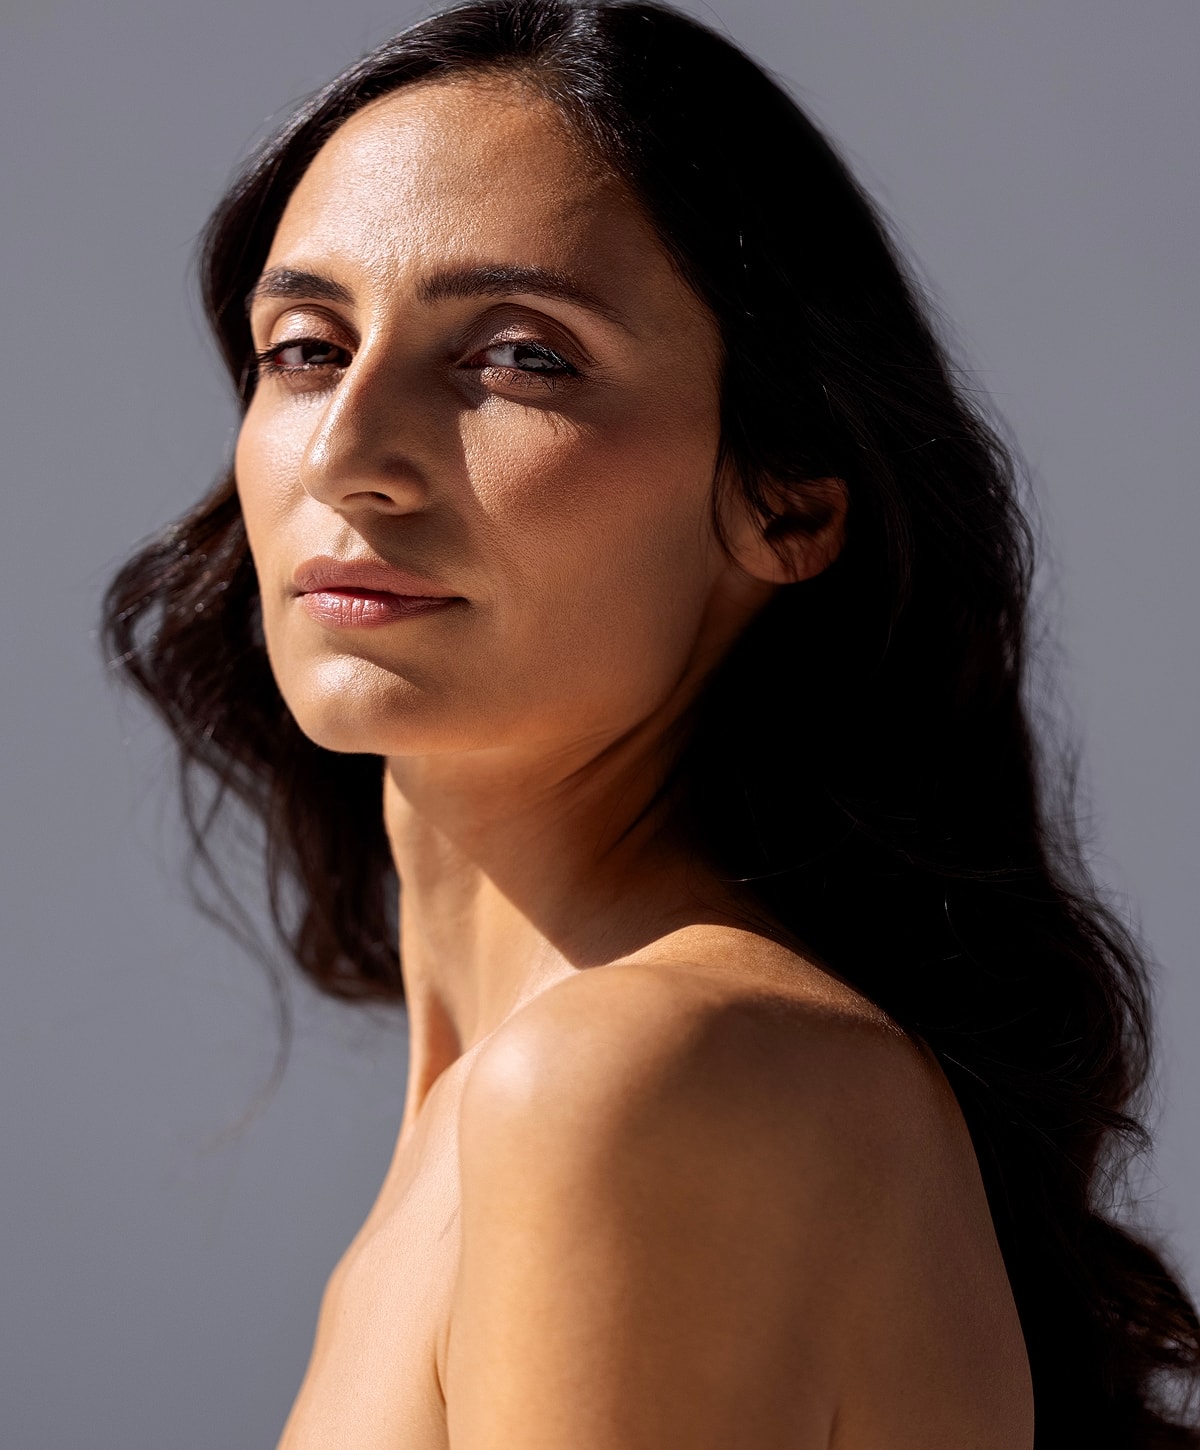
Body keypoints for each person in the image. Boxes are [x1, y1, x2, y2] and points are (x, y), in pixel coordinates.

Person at [101, 1, 1200, 1445]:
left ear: (785, 498)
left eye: (520, 356)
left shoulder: (640, 1078)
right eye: (306, 347)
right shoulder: (545, 1096)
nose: (350, 454)